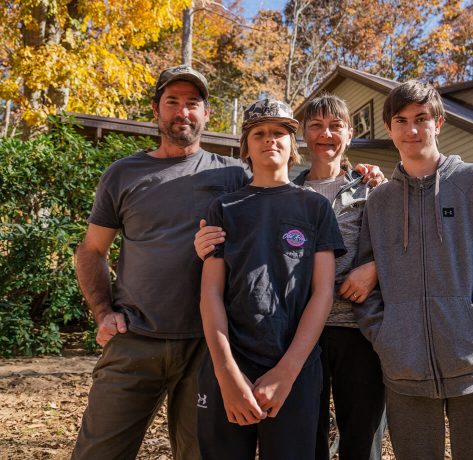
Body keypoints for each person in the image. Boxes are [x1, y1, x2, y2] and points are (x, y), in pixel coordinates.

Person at [194, 94, 386, 460]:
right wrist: (227, 374)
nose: (270, 140)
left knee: (355, 442)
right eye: (259, 133)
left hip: (323, 345)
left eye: (279, 133)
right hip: (238, 357)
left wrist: (288, 371)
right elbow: (211, 294)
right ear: (245, 146)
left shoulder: (339, 199)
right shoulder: (225, 206)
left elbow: (323, 290)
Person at [72, 65, 250, 460]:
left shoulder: (234, 175)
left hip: (207, 346)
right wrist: (103, 312)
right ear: (156, 109)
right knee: (98, 452)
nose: (182, 112)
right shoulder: (123, 174)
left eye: (193, 103)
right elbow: (91, 250)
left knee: (201, 454)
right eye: (173, 102)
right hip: (134, 340)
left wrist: (359, 178)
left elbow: (289, 193)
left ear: (206, 114)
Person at [353, 80, 473, 460]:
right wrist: (385, 336)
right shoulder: (378, 202)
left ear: (438, 123)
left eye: (421, 118)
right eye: (401, 120)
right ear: (389, 128)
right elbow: (365, 275)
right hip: (404, 371)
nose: (412, 129)